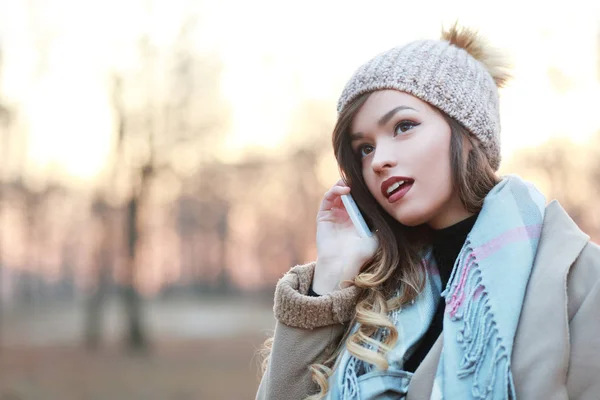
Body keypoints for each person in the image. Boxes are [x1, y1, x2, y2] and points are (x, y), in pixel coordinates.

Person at [256, 23, 600, 400]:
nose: (379, 161)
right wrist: (332, 273)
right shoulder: (372, 292)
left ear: (468, 133)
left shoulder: (578, 279)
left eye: (403, 126)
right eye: (364, 149)